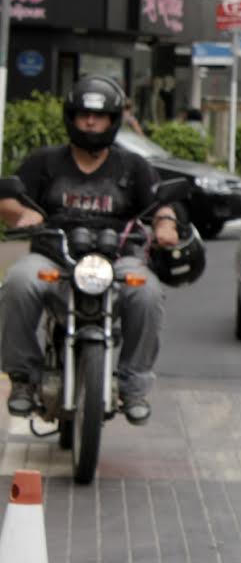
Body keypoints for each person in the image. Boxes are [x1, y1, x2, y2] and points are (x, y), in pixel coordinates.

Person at [0, 76, 180, 423]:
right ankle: (23, 378)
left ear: (113, 121)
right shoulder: (45, 162)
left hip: (119, 261)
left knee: (148, 293)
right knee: (18, 281)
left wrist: (166, 225)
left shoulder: (134, 166)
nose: (91, 123)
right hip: (54, 258)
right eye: (84, 115)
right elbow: (9, 198)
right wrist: (21, 213)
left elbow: (161, 205)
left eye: (99, 117)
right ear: (72, 117)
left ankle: (133, 384)